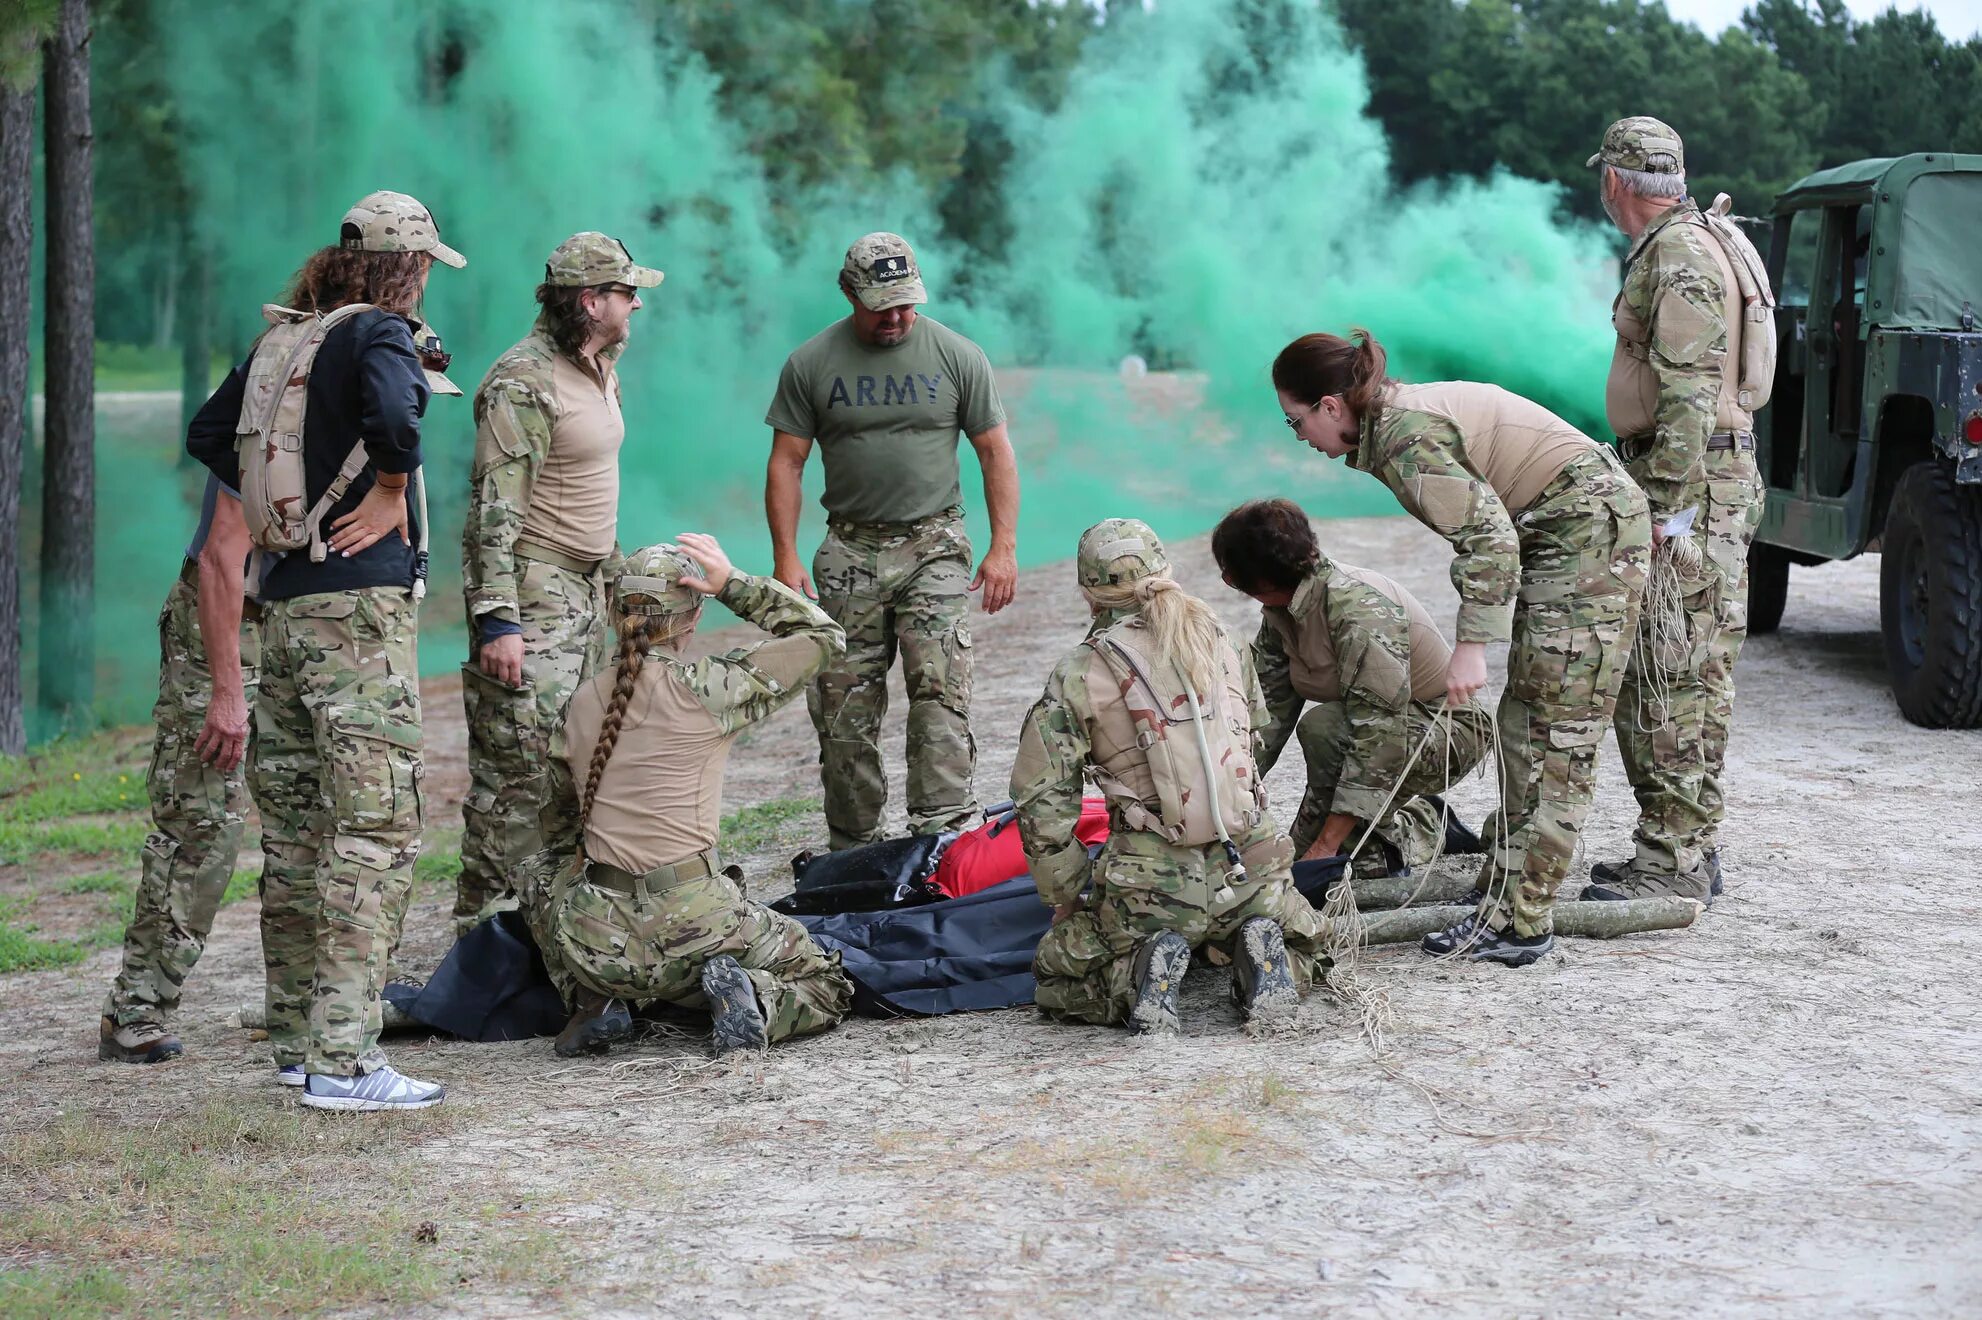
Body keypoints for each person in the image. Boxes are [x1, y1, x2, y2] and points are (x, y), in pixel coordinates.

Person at [187, 189, 463, 1110]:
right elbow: (395, 414)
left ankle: (301, 1046)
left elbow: (207, 434)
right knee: (376, 831)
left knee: (300, 838)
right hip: (356, 618)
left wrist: (284, 508)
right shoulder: (381, 331)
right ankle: (347, 1062)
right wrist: (388, 487)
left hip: (287, 612)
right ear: (407, 265)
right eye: (424, 266)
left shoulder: (283, 342)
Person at [1274, 329, 1650, 966]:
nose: (1304, 440)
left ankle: (1520, 921)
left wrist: (1473, 646)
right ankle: (1507, 892)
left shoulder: (1402, 434)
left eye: (1296, 421)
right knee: (1528, 724)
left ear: (1332, 406)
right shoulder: (1395, 421)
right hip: (1574, 531)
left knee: (1550, 729)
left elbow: (1489, 538)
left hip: (1585, 534)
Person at [531, 535, 853, 1058]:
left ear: (613, 612)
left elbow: (559, 829)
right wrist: (733, 585)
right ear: (691, 617)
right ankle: (753, 999)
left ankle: (594, 1002)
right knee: (824, 981)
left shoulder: (579, 703)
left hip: (598, 942)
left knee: (538, 870)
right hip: (701, 929)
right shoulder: (709, 689)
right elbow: (821, 634)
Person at [1011, 519, 1329, 1035]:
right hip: (1250, 868)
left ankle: (1141, 973)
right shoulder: (1224, 639)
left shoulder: (1080, 670)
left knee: (1058, 974)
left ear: (1090, 593)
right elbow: (1255, 738)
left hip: (1150, 885)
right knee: (1312, 945)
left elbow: (1041, 801)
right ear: (1166, 571)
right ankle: (1262, 957)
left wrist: (1066, 900)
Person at [764, 232, 1020, 851]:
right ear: (849, 292)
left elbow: (994, 451)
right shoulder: (811, 363)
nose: (897, 317)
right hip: (849, 551)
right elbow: (787, 463)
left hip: (935, 544)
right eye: (882, 304)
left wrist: (1002, 546)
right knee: (844, 702)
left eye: (906, 302)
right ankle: (855, 847)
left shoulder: (959, 356)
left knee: (940, 688)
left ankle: (942, 835)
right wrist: (786, 555)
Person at [456, 232, 663, 945]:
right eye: (626, 292)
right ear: (590, 300)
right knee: (517, 779)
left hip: (580, 590)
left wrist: (619, 583)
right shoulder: (524, 381)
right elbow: (494, 510)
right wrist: (497, 620)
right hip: (533, 593)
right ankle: (482, 943)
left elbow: (586, 489)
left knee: (574, 770)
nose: (637, 303)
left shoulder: (600, 363)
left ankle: (552, 934)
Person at [1588, 116, 1767, 903]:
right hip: (1713, 482)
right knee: (1696, 669)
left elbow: (1691, 398)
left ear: (1616, 182)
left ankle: (1671, 859)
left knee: (1664, 673)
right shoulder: (1707, 239)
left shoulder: (1682, 257)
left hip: (1690, 487)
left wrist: (1662, 516)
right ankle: (1689, 845)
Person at [1210, 498, 1491, 876]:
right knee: (1298, 861)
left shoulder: (1358, 613)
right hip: (1376, 730)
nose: (1227, 581)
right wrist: (1224, 803)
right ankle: (1416, 819)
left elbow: (1379, 738)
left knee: (1342, 863)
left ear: (1253, 580)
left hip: (1448, 728)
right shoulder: (1287, 606)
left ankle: (1426, 828)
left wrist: (1326, 846)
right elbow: (1265, 717)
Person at [97, 477, 258, 1064]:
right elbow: (221, 554)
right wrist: (226, 690)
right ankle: (138, 1005)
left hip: (312, 621)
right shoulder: (279, 390)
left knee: (320, 820)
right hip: (227, 619)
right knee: (202, 826)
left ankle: (316, 1004)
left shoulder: (390, 401)